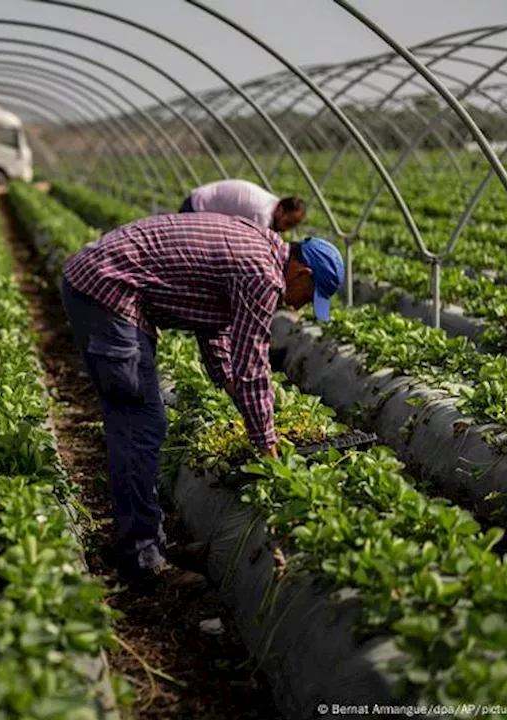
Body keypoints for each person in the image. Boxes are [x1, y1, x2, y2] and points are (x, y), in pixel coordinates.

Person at [61, 212, 343, 588]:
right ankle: (143, 559)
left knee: (142, 422)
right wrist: (267, 445)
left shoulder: (259, 249)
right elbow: (253, 365)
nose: (298, 307)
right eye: (308, 299)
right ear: (301, 274)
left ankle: (150, 542)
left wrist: (227, 380)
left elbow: (212, 321)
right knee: (139, 424)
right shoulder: (262, 275)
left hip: (106, 285)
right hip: (107, 291)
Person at [179, 178, 307, 234]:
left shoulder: (272, 203)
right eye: (288, 223)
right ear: (280, 210)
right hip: (196, 208)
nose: (287, 229)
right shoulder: (261, 215)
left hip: (202, 203)